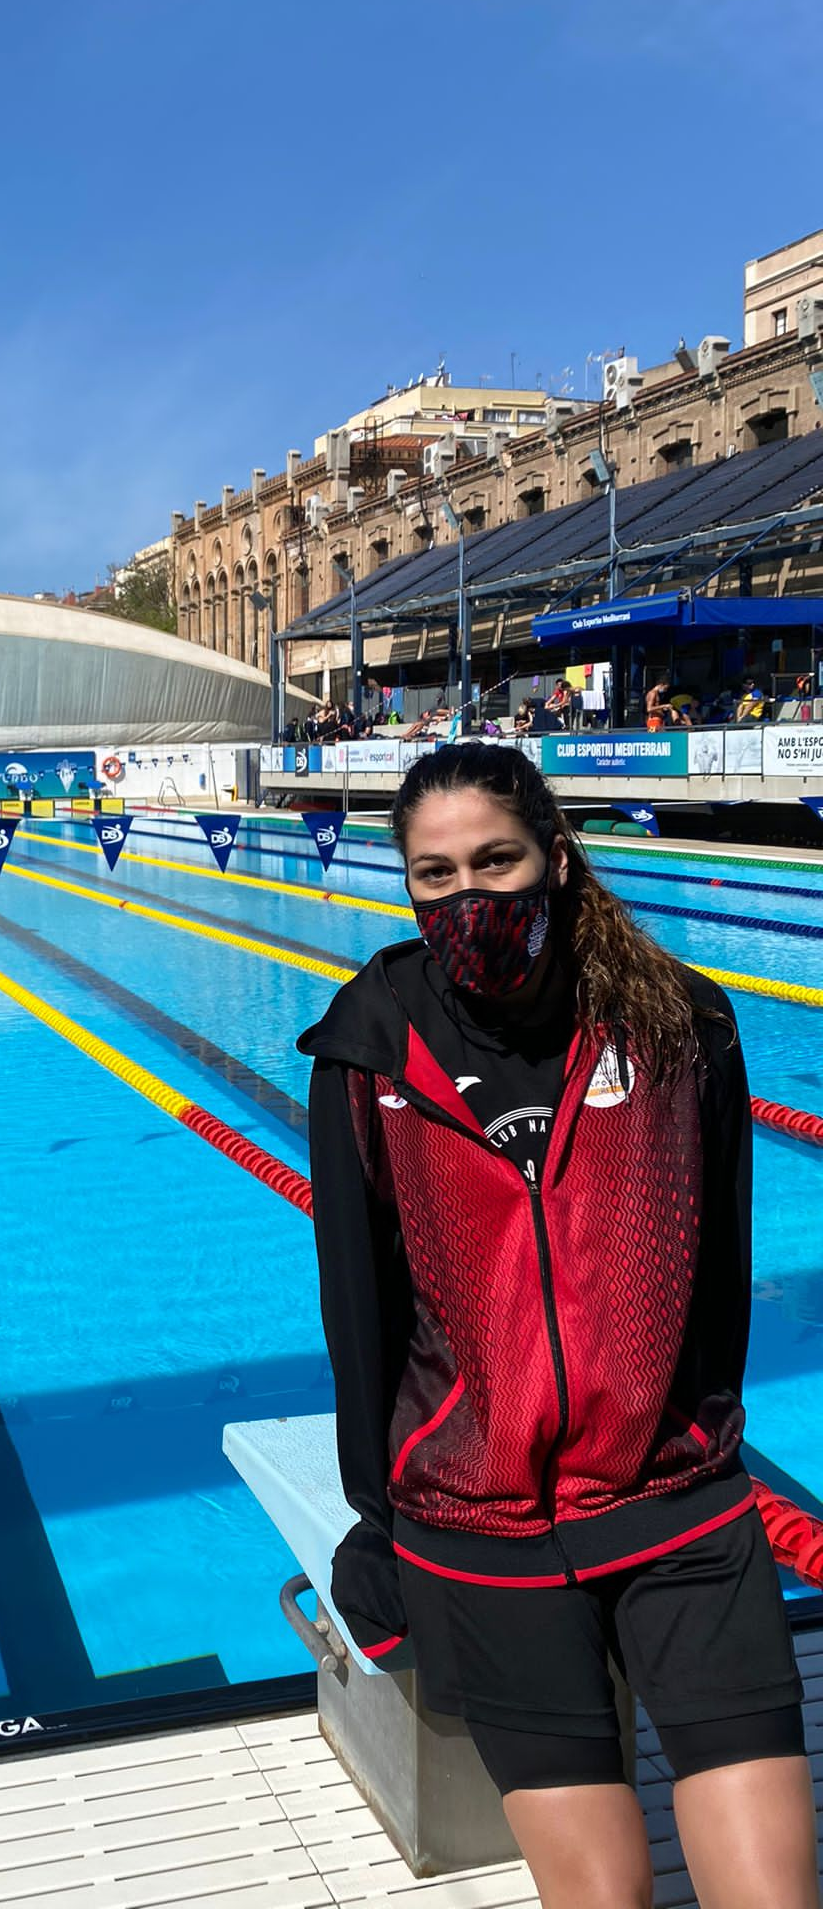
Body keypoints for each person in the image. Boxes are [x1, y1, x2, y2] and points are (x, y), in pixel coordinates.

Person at [298, 743, 815, 1909]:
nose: (469, 897)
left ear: (558, 858)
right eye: (435, 875)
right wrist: (379, 1515)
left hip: (676, 1503)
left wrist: (697, 1427)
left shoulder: (680, 1023)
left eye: (497, 860)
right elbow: (360, 1305)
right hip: (480, 1530)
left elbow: (716, 1264)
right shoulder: (371, 1042)